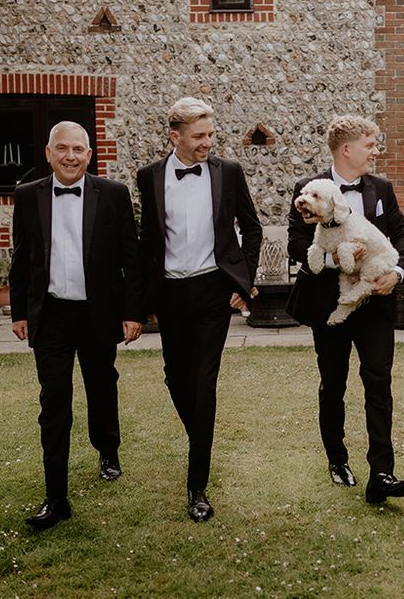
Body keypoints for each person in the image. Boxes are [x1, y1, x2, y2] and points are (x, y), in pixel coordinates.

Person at [9, 121, 144, 529]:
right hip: (51, 315)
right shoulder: (28, 195)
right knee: (54, 401)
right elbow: (21, 257)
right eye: (62, 149)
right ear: (48, 154)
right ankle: (56, 499)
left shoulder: (114, 195)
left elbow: (131, 259)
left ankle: (108, 448)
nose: (70, 156)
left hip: (97, 312)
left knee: (101, 385)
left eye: (78, 149)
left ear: (90, 154)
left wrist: (133, 311)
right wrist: (19, 312)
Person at [137, 97, 262, 521]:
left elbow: (252, 226)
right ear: (175, 137)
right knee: (176, 378)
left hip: (214, 291)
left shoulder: (228, 172)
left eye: (211, 134)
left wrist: (243, 282)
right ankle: (201, 440)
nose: (208, 142)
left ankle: (197, 486)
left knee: (204, 381)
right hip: (171, 294)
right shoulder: (148, 177)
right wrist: (142, 301)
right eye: (199, 136)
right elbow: (147, 241)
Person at [286, 115, 404, 504]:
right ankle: (337, 459)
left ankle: (382, 472)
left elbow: (403, 234)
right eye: (371, 144)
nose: (376, 150)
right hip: (329, 304)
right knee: (334, 384)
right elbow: (296, 245)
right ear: (347, 149)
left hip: (375, 301)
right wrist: (333, 256)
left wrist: (397, 270)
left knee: (379, 383)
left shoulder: (381, 188)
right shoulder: (307, 191)